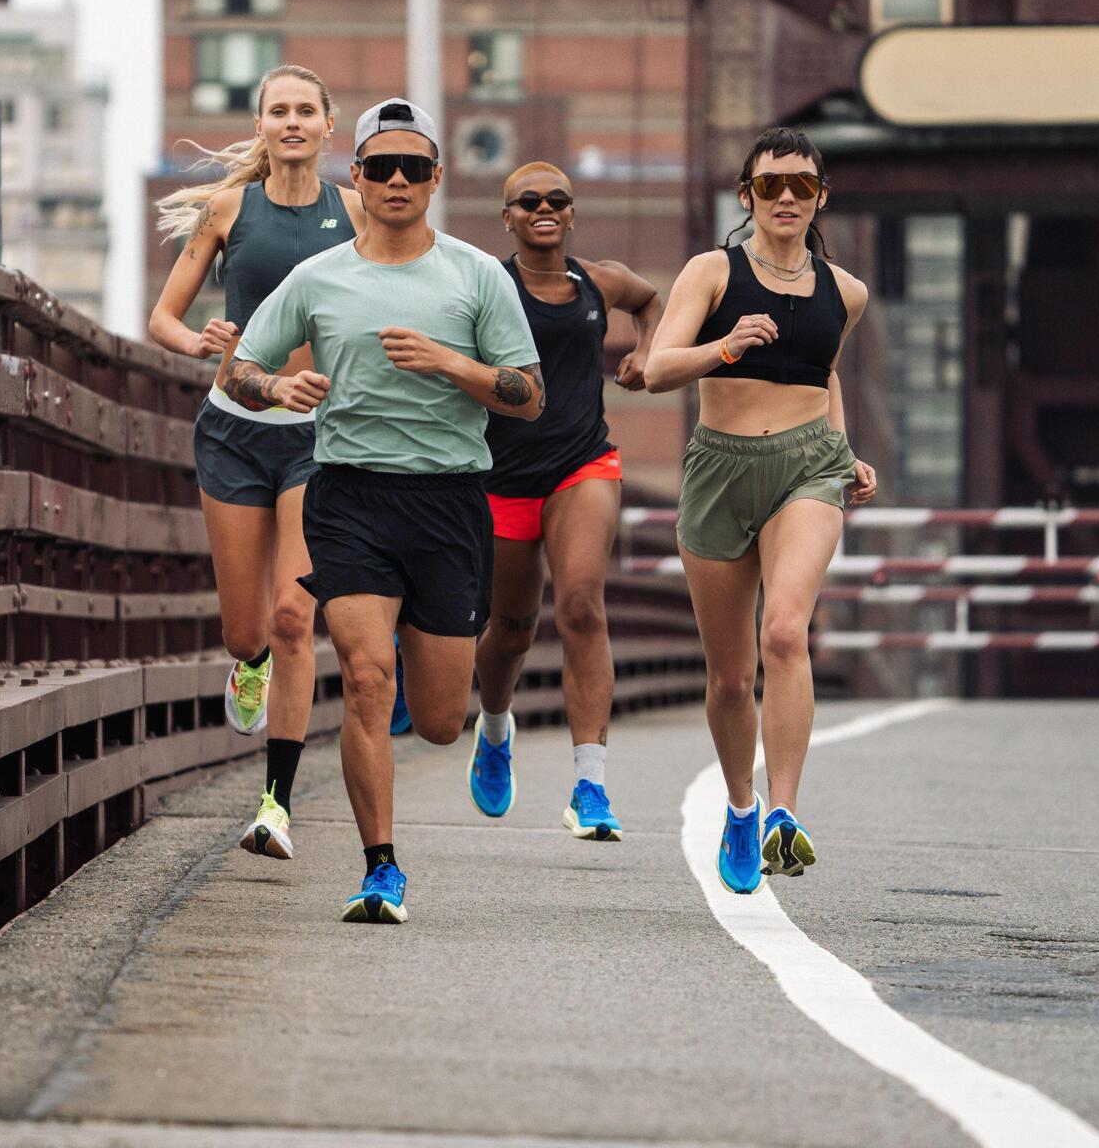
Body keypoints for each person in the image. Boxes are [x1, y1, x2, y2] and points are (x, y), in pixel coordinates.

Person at [222, 98, 543, 923]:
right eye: (379, 167)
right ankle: (380, 869)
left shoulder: (476, 276)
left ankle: (465, 715)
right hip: (350, 495)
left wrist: (449, 364)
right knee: (366, 680)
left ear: (436, 179)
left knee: (437, 720)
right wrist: (277, 386)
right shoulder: (319, 277)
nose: (396, 180)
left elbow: (528, 396)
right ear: (355, 178)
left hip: (447, 501)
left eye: (413, 167)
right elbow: (240, 370)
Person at [643, 126, 879, 895]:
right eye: (771, 185)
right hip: (720, 470)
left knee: (785, 631)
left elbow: (826, 375)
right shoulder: (713, 272)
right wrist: (727, 346)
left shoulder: (846, 292)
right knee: (728, 679)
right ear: (747, 196)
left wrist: (844, 457)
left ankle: (784, 813)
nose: (786, 198)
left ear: (819, 198)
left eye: (801, 186)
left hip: (806, 468)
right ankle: (740, 807)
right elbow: (655, 369)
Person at [148, 64, 365, 862]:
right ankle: (249, 669)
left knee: (293, 614)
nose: (294, 122)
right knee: (248, 633)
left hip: (318, 436)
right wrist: (199, 340)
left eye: (308, 109)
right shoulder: (228, 208)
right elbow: (164, 319)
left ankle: (274, 803)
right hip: (234, 428)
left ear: (329, 124)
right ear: (262, 123)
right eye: (280, 110)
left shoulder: (356, 214)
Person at [467, 162, 662, 843]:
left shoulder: (598, 282)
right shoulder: (486, 283)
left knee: (581, 602)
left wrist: (646, 352)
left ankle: (590, 784)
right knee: (512, 628)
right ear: (508, 217)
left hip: (583, 463)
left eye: (557, 200)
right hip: (502, 474)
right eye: (528, 202)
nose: (543, 209)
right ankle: (495, 729)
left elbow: (651, 300)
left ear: (572, 213)